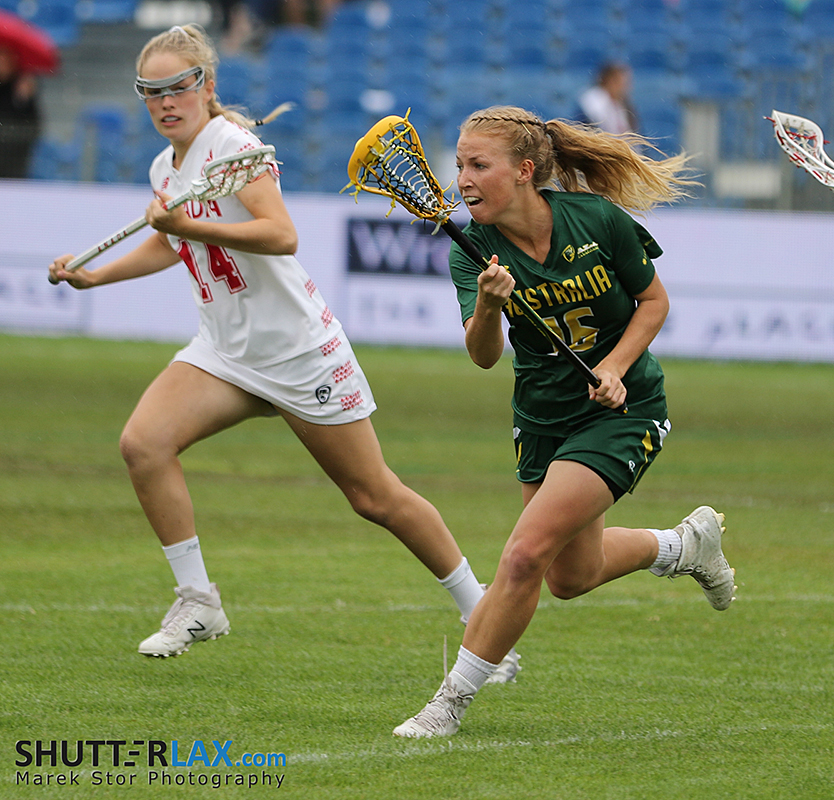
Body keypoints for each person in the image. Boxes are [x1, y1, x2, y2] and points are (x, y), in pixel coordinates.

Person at [46, 25, 518, 682]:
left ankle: (481, 616)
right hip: (225, 349)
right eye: (151, 91)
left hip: (296, 351)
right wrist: (98, 276)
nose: (165, 101)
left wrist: (188, 223)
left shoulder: (233, 147)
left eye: (178, 86)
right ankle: (199, 600)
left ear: (206, 86)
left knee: (374, 495)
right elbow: (173, 242)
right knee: (143, 444)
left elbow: (280, 233)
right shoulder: (165, 167)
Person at [392, 106, 735, 738]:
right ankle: (683, 546)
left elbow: (653, 301)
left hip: (621, 410)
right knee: (570, 577)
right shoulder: (473, 253)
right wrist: (488, 307)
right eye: (460, 165)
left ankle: (448, 705)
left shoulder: (597, 220)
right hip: (542, 417)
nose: (462, 179)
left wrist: (615, 367)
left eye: (478, 165)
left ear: (525, 171)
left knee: (524, 554)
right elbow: (484, 355)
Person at [0, 42, 41, 179]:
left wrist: (25, 100)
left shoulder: (22, 86)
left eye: (5, 58)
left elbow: (32, 125)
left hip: (13, 160)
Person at [577, 62, 637, 135]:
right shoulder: (593, 98)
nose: (625, 87)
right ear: (611, 81)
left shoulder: (623, 103)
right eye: (622, 82)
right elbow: (594, 124)